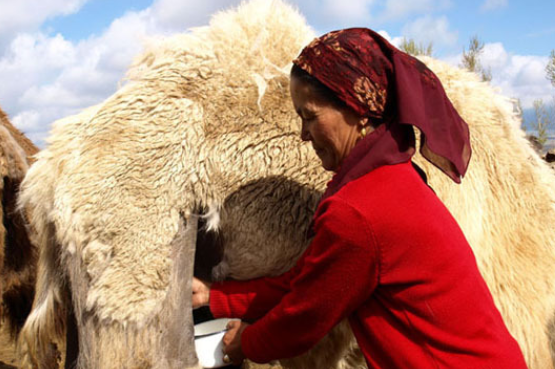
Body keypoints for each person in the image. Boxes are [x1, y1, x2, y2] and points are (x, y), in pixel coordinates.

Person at [192, 28, 528, 369]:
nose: (303, 135)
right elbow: (310, 281)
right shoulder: (394, 177)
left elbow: (306, 317)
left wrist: (246, 343)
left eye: (310, 116)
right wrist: (216, 297)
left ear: (359, 110)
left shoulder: (359, 210)